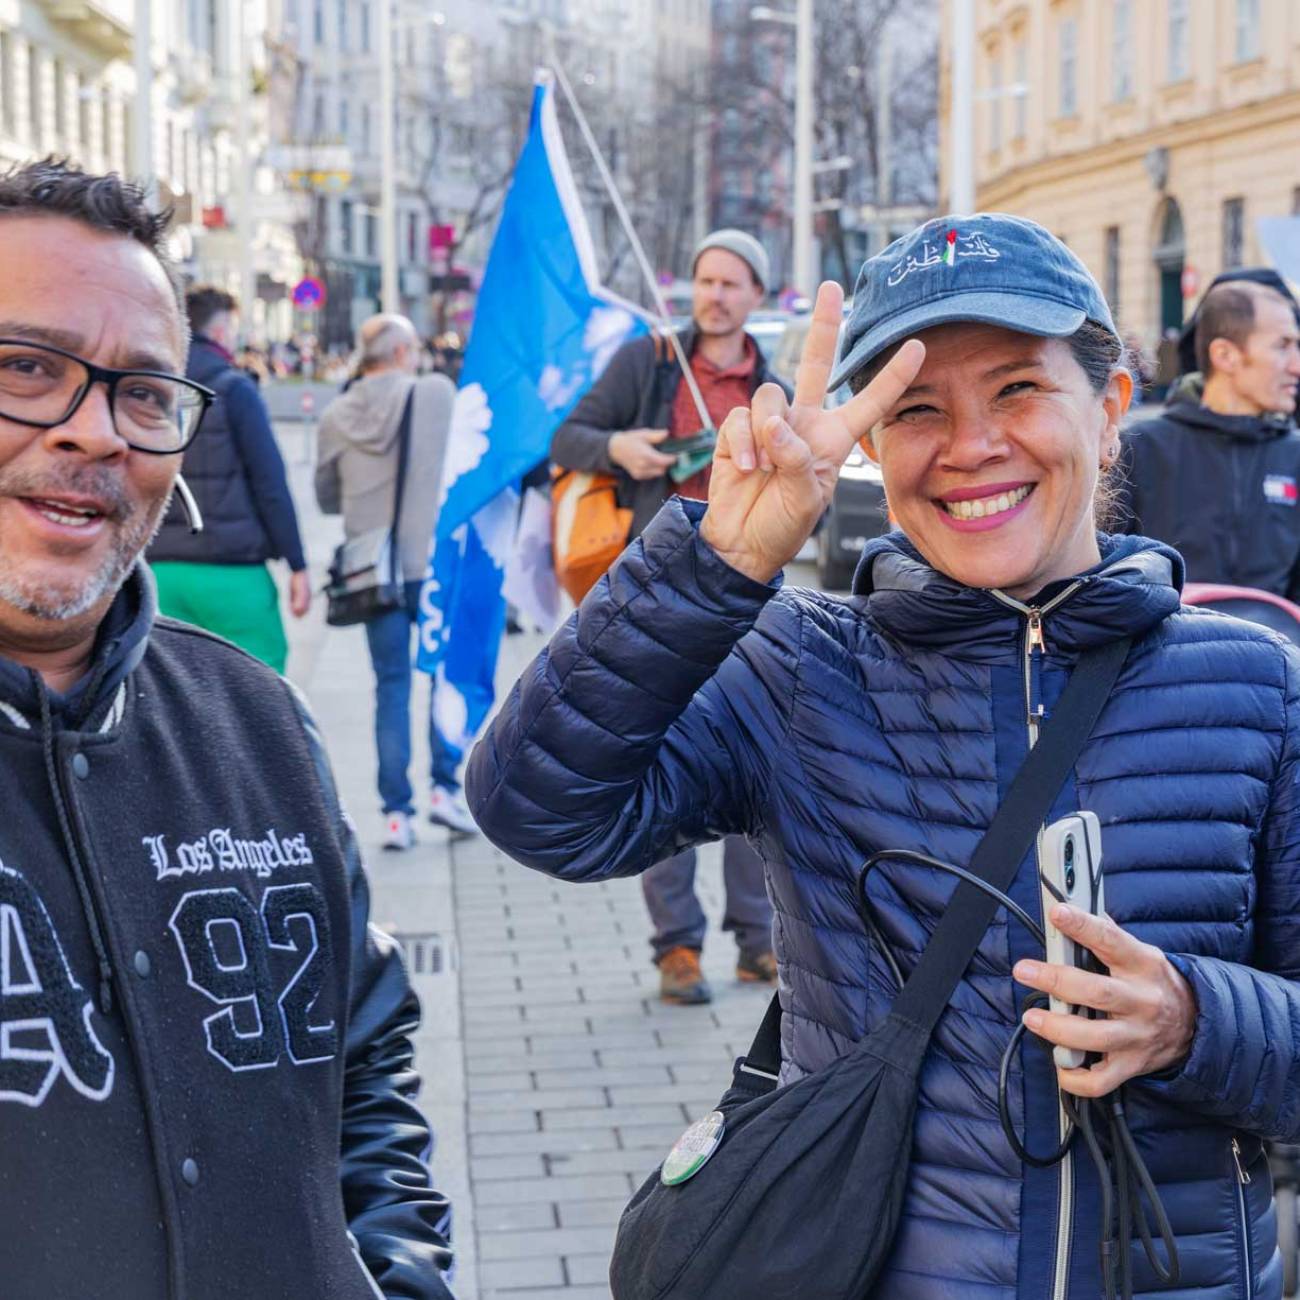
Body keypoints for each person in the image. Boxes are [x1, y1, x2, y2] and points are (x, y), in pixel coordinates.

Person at [469, 212, 1300, 1296]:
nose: (969, 446)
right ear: (869, 443)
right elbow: (537, 807)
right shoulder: (801, 663)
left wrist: (1195, 1018)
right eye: (915, 408)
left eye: (1015, 390)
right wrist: (713, 565)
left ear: (1108, 413)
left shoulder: (1253, 683)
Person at [0, 159, 454, 1298]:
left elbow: (367, 1049)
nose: (95, 432)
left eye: (144, 392)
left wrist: (397, 1274)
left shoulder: (258, 722)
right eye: (26, 368)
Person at [551, 228, 791, 1003]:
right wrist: (623, 448)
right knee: (668, 762)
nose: (714, 295)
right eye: (703, 280)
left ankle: (759, 941)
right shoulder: (649, 361)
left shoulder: (775, 386)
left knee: (754, 761)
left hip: (747, 592)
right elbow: (567, 436)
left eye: (730, 283)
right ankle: (676, 948)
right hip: (656, 590)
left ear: (756, 295)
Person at [315, 314, 473, 849]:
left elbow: (325, 497)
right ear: (404, 351)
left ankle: (395, 815)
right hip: (430, 565)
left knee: (391, 686)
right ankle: (444, 792)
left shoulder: (337, 413)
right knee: (440, 677)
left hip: (371, 572)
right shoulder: (434, 395)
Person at [148, 286, 310, 673]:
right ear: (220, 331)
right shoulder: (234, 389)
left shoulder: (150, 388)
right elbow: (269, 482)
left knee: (172, 693)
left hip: (159, 571)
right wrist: (297, 564)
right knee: (261, 688)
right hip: (233, 572)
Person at [1118, 279, 1300, 596]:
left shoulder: (1294, 456)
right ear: (1225, 355)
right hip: (1162, 644)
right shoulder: (1139, 448)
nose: (1297, 365)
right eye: (1282, 346)